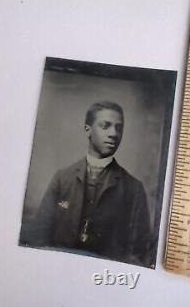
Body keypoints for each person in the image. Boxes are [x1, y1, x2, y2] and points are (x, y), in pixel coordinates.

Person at [20, 101, 152, 267]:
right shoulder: (62, 178)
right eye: (105, 126)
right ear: (88, 130)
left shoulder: (134, 189)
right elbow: (38, 235)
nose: (113, 133)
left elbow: (138, 253)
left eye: (119, 128)